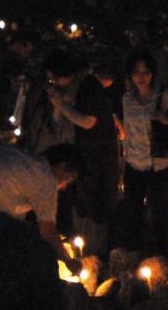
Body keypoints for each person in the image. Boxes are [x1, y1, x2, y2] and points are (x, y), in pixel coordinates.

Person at [46, 52, 119, 255]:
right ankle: (85, 252)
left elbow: (88, 121)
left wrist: (61, 105)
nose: (53, 82)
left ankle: (95, 256)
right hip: (85, 156)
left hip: (98, 158)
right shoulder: (75, 88)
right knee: (83, 206)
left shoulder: (89, 88)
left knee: (96, 208)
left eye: (54, 77)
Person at [120, 50, 168, 256]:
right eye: (137, 72)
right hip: (134, 163)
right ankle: (135, 257)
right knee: (132, 213)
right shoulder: (127, 99)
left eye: (145, 72)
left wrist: (166, 119)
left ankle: (163, 258)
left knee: (160, 216)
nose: (141, 77)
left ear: (153, 74)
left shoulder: (166, 96)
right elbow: (128, 129)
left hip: (159, 163)